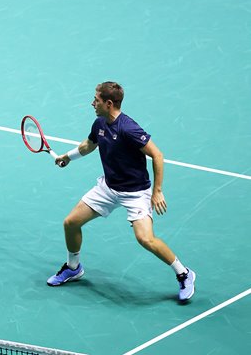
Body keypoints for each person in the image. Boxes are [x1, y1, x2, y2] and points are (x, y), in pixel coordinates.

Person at [47, 82, 196, 302]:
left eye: (96, 99)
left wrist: (157, 191)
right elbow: (89, 145)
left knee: (146, 239)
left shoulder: (128, 128)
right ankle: (73, 267)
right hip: (108, 188)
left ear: (108, 104)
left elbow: (157, 155)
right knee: (71, 222)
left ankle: (184, 273)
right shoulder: (100, 122)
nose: (92, 103)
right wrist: (67, 157)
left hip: (136, 192)